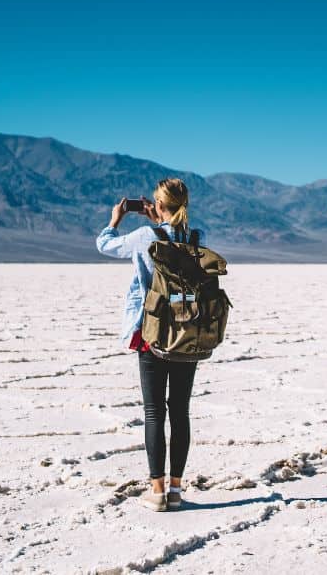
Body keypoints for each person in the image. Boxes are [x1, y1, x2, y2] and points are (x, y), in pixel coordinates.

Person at [95, 177, 203, 512]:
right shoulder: (196, 236)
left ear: (156, 205)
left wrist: (116, 219)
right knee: (180, 411)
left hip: (152, 333)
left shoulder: (144, 237)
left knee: (154, 411)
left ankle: (156, 491)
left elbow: (105, 246)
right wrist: (161, 222)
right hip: (187, 332)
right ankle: (175, 490)